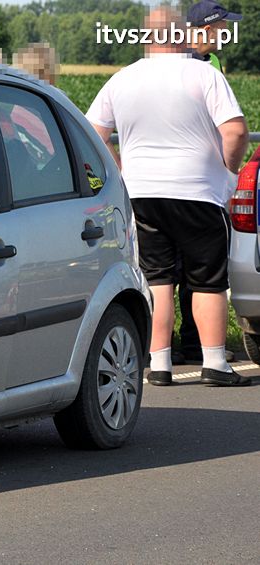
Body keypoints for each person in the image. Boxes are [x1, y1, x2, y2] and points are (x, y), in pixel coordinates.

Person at [86, 6, 250, 387]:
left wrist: (122, 171)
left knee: (157, 278)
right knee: (207, 278)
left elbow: (94, 133)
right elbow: (237, 132)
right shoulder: (204, 75)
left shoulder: (122, 79)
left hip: (141, 193)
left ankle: (158, 365)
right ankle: (214, 363)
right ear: (181, 35)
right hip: (197, 191)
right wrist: (227, 171)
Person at [172, 0, 242, 365]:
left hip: (203, 176)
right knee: (173, 269)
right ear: (205, 29)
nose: (225, 33)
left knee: (196, 267)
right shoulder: (172, 62)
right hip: (179, 178)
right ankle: (166, 346)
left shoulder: (212, 63)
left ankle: (192, 344)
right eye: (221, 27)